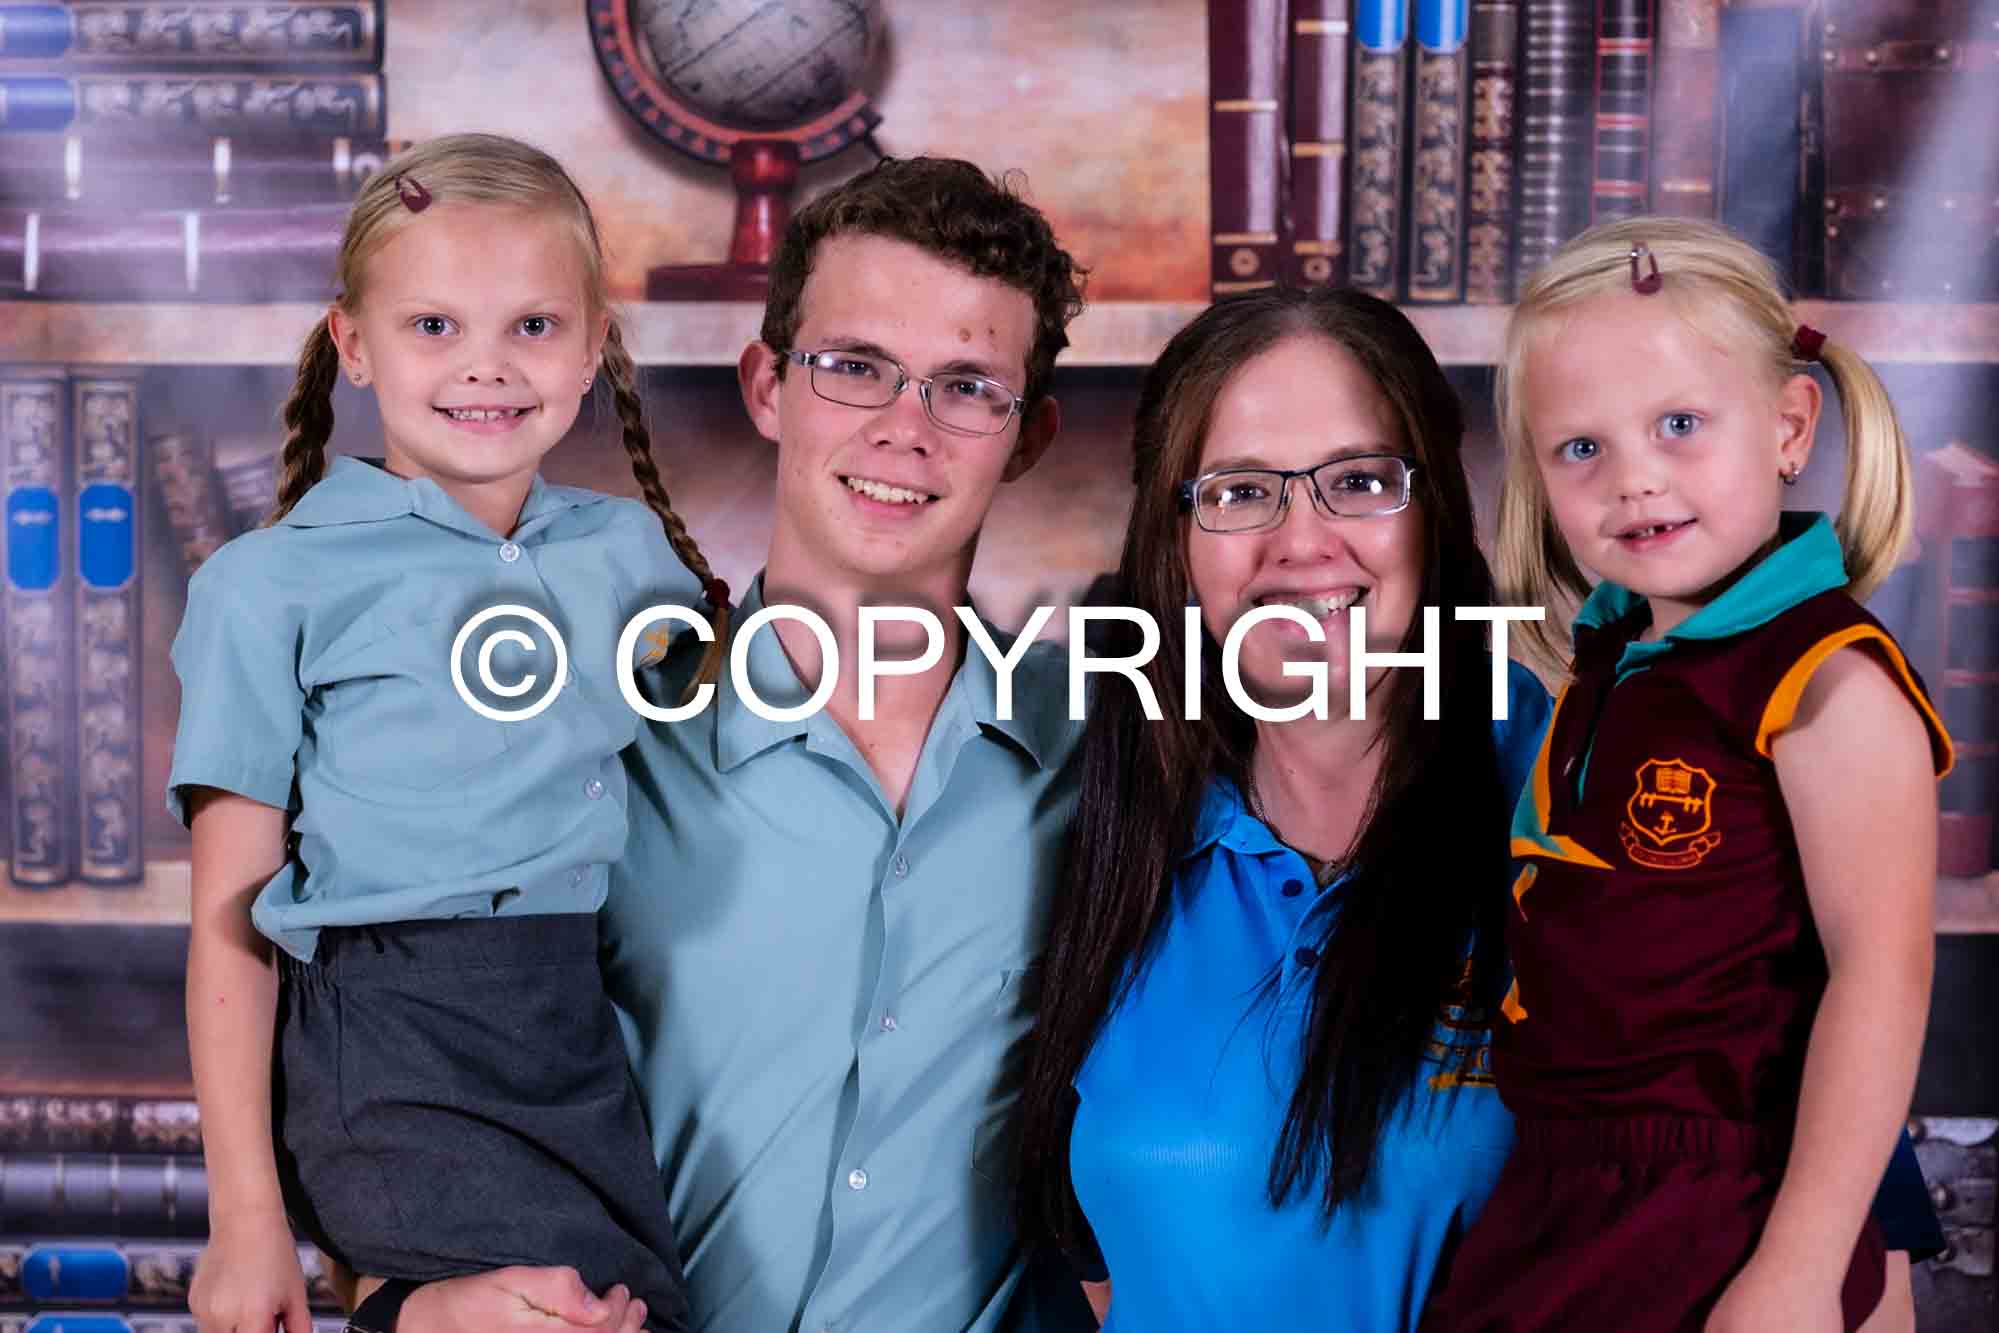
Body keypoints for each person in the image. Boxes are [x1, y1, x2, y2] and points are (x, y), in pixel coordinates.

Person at [396, 156, 1097, 1333]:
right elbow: (419, 1084)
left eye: (968, 387)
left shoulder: (1109, 764)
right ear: (767, 386)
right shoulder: (591, 738)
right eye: (855, 367)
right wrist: (408, 1305)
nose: (905, 430)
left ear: (1028, 437)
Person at [168, 134, 730, 1333]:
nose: (488, 365)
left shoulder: (631, 558)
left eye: (534, 325)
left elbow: (727, 736)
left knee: (624, 1313)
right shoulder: (268, 587)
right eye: (433, 325)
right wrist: (246, 1216)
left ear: (594, 344)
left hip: (568, 1021)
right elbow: (229, 922)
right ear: (354, 344)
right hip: (390, 1027)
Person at [1421, 217, 1951, 1332]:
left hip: (1722, 1201)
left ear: (1787, 426)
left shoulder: (1826, 684)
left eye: (1678, 425)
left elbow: (1880, 977)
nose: (1635, 480)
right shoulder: (1611, 665)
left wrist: (1799, 1270)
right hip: (1560, 1184)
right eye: (1580, 448)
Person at [1012, 284, 1553, 1331]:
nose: (1302, 542)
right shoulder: (1100, 824)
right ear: (1174, 539)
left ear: (1435, 508)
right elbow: (1101, 1257)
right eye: (1239, 491)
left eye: (1359, 481)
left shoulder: (1569, 800)